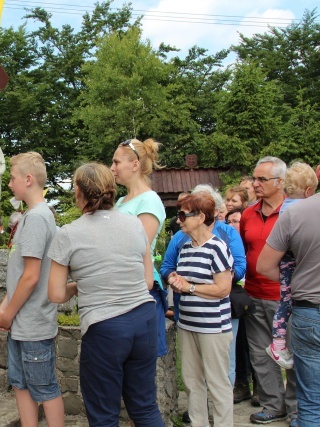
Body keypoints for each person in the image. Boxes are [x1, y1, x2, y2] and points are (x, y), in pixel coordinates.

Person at [48, 163, 163, 427]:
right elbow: (147, 281)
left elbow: (55, 293)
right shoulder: (135, 224)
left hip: (105, 327)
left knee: (104, 416)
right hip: (144, 319)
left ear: (78, 191)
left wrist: (82, 284)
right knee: (145, 408)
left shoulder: (69, 234)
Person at [0, 152, 64, 427]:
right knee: (20, 385)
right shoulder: (29, 217)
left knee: (44, 389)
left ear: (28, 179)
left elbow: (32, 277)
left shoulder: (36, 219)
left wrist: (8, 313)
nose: (10, 184)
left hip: (32, 323)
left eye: (12, 178)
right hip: (21, 323)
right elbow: (20, 273)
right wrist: (5, 305)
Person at [167, 193, 234, 427]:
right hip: (188, 325)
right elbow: (186, 283)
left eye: (183, 215)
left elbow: (224, 288)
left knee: (217, 383)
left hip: (214, 328)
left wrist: (190, 286)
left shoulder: (217, 248)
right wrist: (177, 281)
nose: (179, 220)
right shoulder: (185, 248)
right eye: (179, 215)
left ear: (201, 217)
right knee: (192, 382)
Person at [240, 156, 297, 425]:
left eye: (262, 179)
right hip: (254, 293)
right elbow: (244, 250)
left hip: (286, 297)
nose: (255, 183)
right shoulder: (249, 214)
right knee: (261, 353)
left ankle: (298, 409)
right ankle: (274, 406)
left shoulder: (293, 211)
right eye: (255, 178)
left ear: (280, 182)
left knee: (292, 355)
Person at [257, 191, 320, 427]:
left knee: (312, 400)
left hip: (310, 310)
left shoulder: (295, 212)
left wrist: (293, 283)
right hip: (309, 310)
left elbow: (264, 265)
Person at [110, 138, 168, 357]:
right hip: (121, 286)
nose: (112, 168)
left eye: (116, 162)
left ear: (135, 165)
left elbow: (138, 247)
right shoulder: (122, 201)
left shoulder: (149, 200)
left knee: (139, 364)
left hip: (141, 288)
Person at [265, 162, 318, 370]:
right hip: (291, 265)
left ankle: (279, 343)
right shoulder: (299, 210)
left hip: (289, 265)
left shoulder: (286, 208)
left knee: (285, 303)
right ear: (308, 191)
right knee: (286, 303)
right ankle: (277, 344)